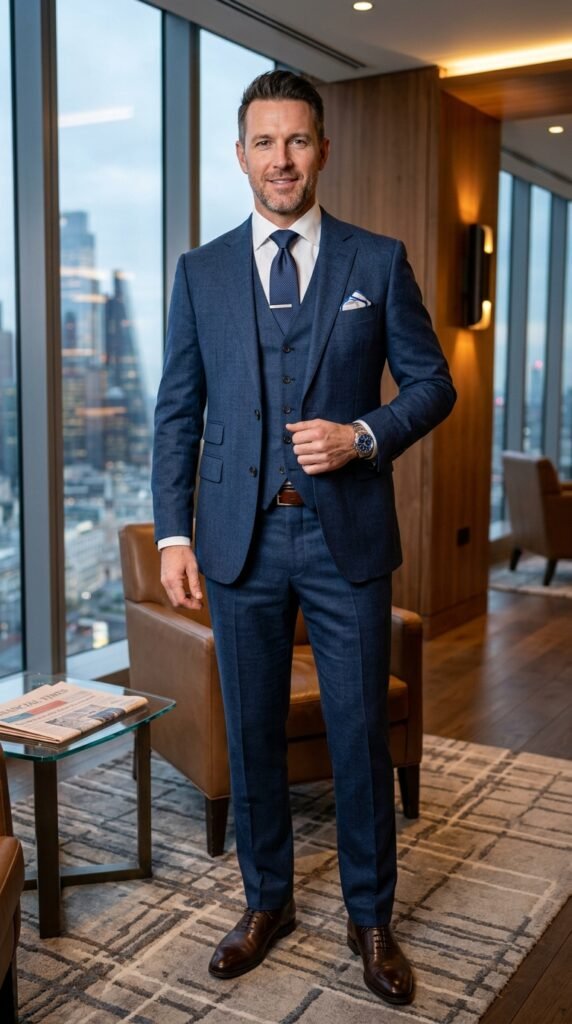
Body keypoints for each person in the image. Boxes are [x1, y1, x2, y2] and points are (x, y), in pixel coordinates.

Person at [152, 70, 456, 1006]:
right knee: (251, 734)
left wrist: (364, 434)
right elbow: (178, 414)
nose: (280, 160)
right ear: (240, 154)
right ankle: (267, 900)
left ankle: (372, 919)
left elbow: (432, 384)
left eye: (297, 141)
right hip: (237, 543)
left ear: (322, 148)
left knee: (361, 734)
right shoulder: (201, 272)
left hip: (345, 541)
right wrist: (173, 534)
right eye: (263, 142)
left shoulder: (377, 260)